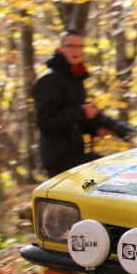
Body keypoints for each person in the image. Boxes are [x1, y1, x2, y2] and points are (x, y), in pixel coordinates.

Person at [33, 29, 111, 178]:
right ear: (59, 49)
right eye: (71, 46)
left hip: (75, 156)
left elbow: (74, 120)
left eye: (80, 46)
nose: (76, 50)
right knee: (108, 170)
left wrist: (96, 129)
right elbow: (45, 120)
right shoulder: (49, 79)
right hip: (58, 160)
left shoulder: (75, 78)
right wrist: (81, 112)